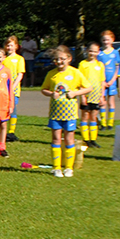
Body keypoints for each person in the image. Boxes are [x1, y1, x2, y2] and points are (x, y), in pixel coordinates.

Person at [40, 46, 92, 178]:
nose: (59, 62)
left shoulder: (75, 73)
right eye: (56, 59)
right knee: (56, 138)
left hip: (70, 114)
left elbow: (88, 87)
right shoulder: (51, 74)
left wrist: (75, 93)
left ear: (69, 59)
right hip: (55, 113)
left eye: (62, 59)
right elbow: (43, 89)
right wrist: (51, 94)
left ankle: (69, 167)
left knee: (69, 138)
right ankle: (56, 167)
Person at [77, 43, 105, 149]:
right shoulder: (83, 64)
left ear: (98, 52)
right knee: (85, 116)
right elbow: (80, 81)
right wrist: (82, 96)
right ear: (87, 51)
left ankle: (93, 140)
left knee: (93, 117)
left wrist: (102, 96)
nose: (92, 53)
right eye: (90, 51)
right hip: (86, 95)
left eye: (95, 51)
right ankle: (86, 139)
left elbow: (102, 81)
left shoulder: (100, 65)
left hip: (96, 96)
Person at [2, 36, 26, 141]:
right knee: (2, 110)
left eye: (11, 45)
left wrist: (13, 87)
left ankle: (11, 132)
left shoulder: (19, 59)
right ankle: (2, 131)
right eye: (8, 45)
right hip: (2, 90)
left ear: (16, 46)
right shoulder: (4, 59)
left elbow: (20, 74)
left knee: (12, 110)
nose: (9, 47)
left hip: (13, 91)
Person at [97, 31, 120, 130]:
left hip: (112, 82)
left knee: (111, 101)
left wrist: (113, 80)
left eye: (108, 40)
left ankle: (110, 122)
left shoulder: (115, 53)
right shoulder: (99, 53)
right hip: (102, 82)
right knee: (102, 101)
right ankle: (103, 122)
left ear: (112, 40)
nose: (106, 42)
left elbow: (117, 68)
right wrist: (102, 81)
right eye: (104, 40)